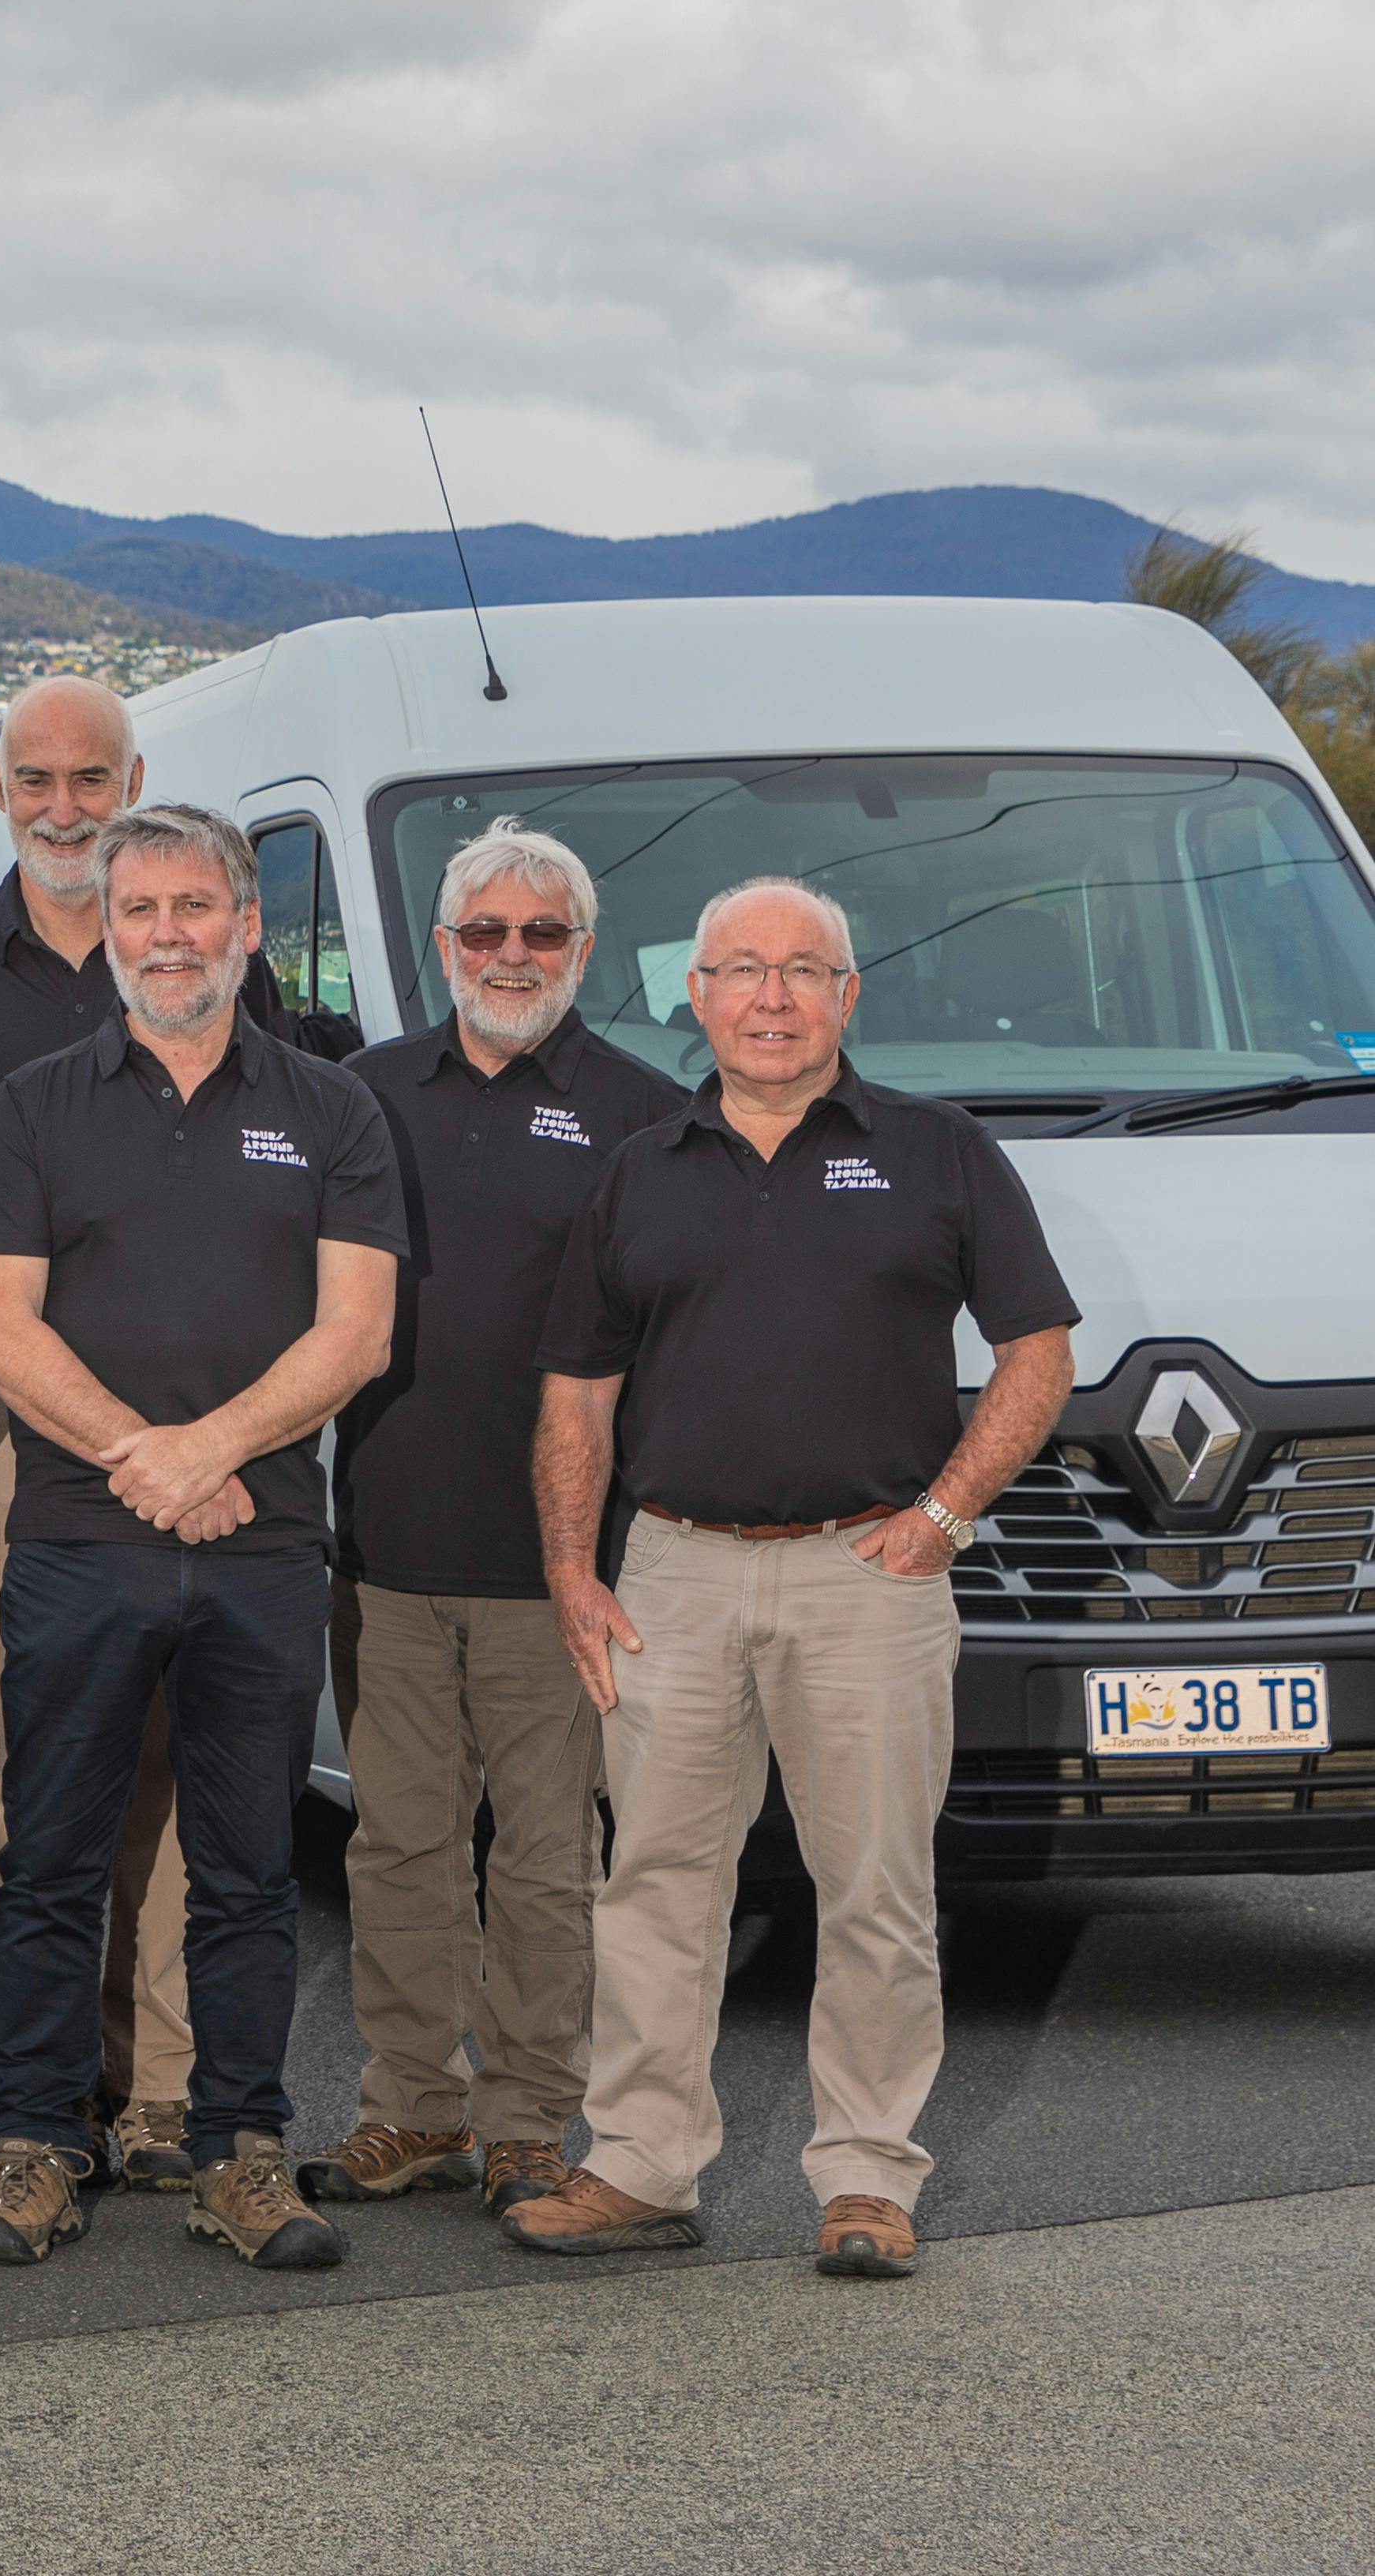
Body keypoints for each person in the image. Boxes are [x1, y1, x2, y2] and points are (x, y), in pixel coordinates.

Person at [504, 878, 1076, 2279]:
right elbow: (577, 1394)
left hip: (868, 1577)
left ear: (849, 996)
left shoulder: (939, 1155)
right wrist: (573, 1572)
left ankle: (869, 2179)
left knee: (875, 1887)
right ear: (693, 996)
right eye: (742, 971)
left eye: (802, 970)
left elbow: (1039, 1351)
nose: (772, 997)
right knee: (654, 1885)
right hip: (676, 1577)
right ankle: (640, 2164)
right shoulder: (639, 1169)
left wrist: (947, 1513)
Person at [0, 804, 399, 2273]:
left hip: (263, 1547)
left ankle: (240, 2154)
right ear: (112, 929)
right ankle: (29, 2145)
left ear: (247, 924)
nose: (164, 934)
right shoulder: (33, 1106)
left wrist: (210, 1454)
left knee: (249, 1865)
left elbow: (359, 1332)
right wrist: (145, 1462)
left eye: (194, 906)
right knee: (54, 1854)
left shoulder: (333, 1111)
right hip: (81, 1541)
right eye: (138, 909)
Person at [0, 676, 289, 2195]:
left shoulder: (219, 976)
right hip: (8, 1435)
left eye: (90, 779)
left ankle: (169, 2092)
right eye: (34, 780)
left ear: (136, 780)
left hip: (211, 1440)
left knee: (191, 1782)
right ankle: (54, 2090)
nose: (62, 806)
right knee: (40, 1778)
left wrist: (198, 1445)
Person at [307, 820, 684, 2219]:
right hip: (389, 1551)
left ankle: (530, 2116)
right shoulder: (361, 1097)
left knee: (543, 1858)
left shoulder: (646, 1113)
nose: (510, 957)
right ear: (440, 948)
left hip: (560, 1570)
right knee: (397, 1846)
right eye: (484, 934)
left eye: (540, 935)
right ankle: (411, 2109)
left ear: (581, 951)